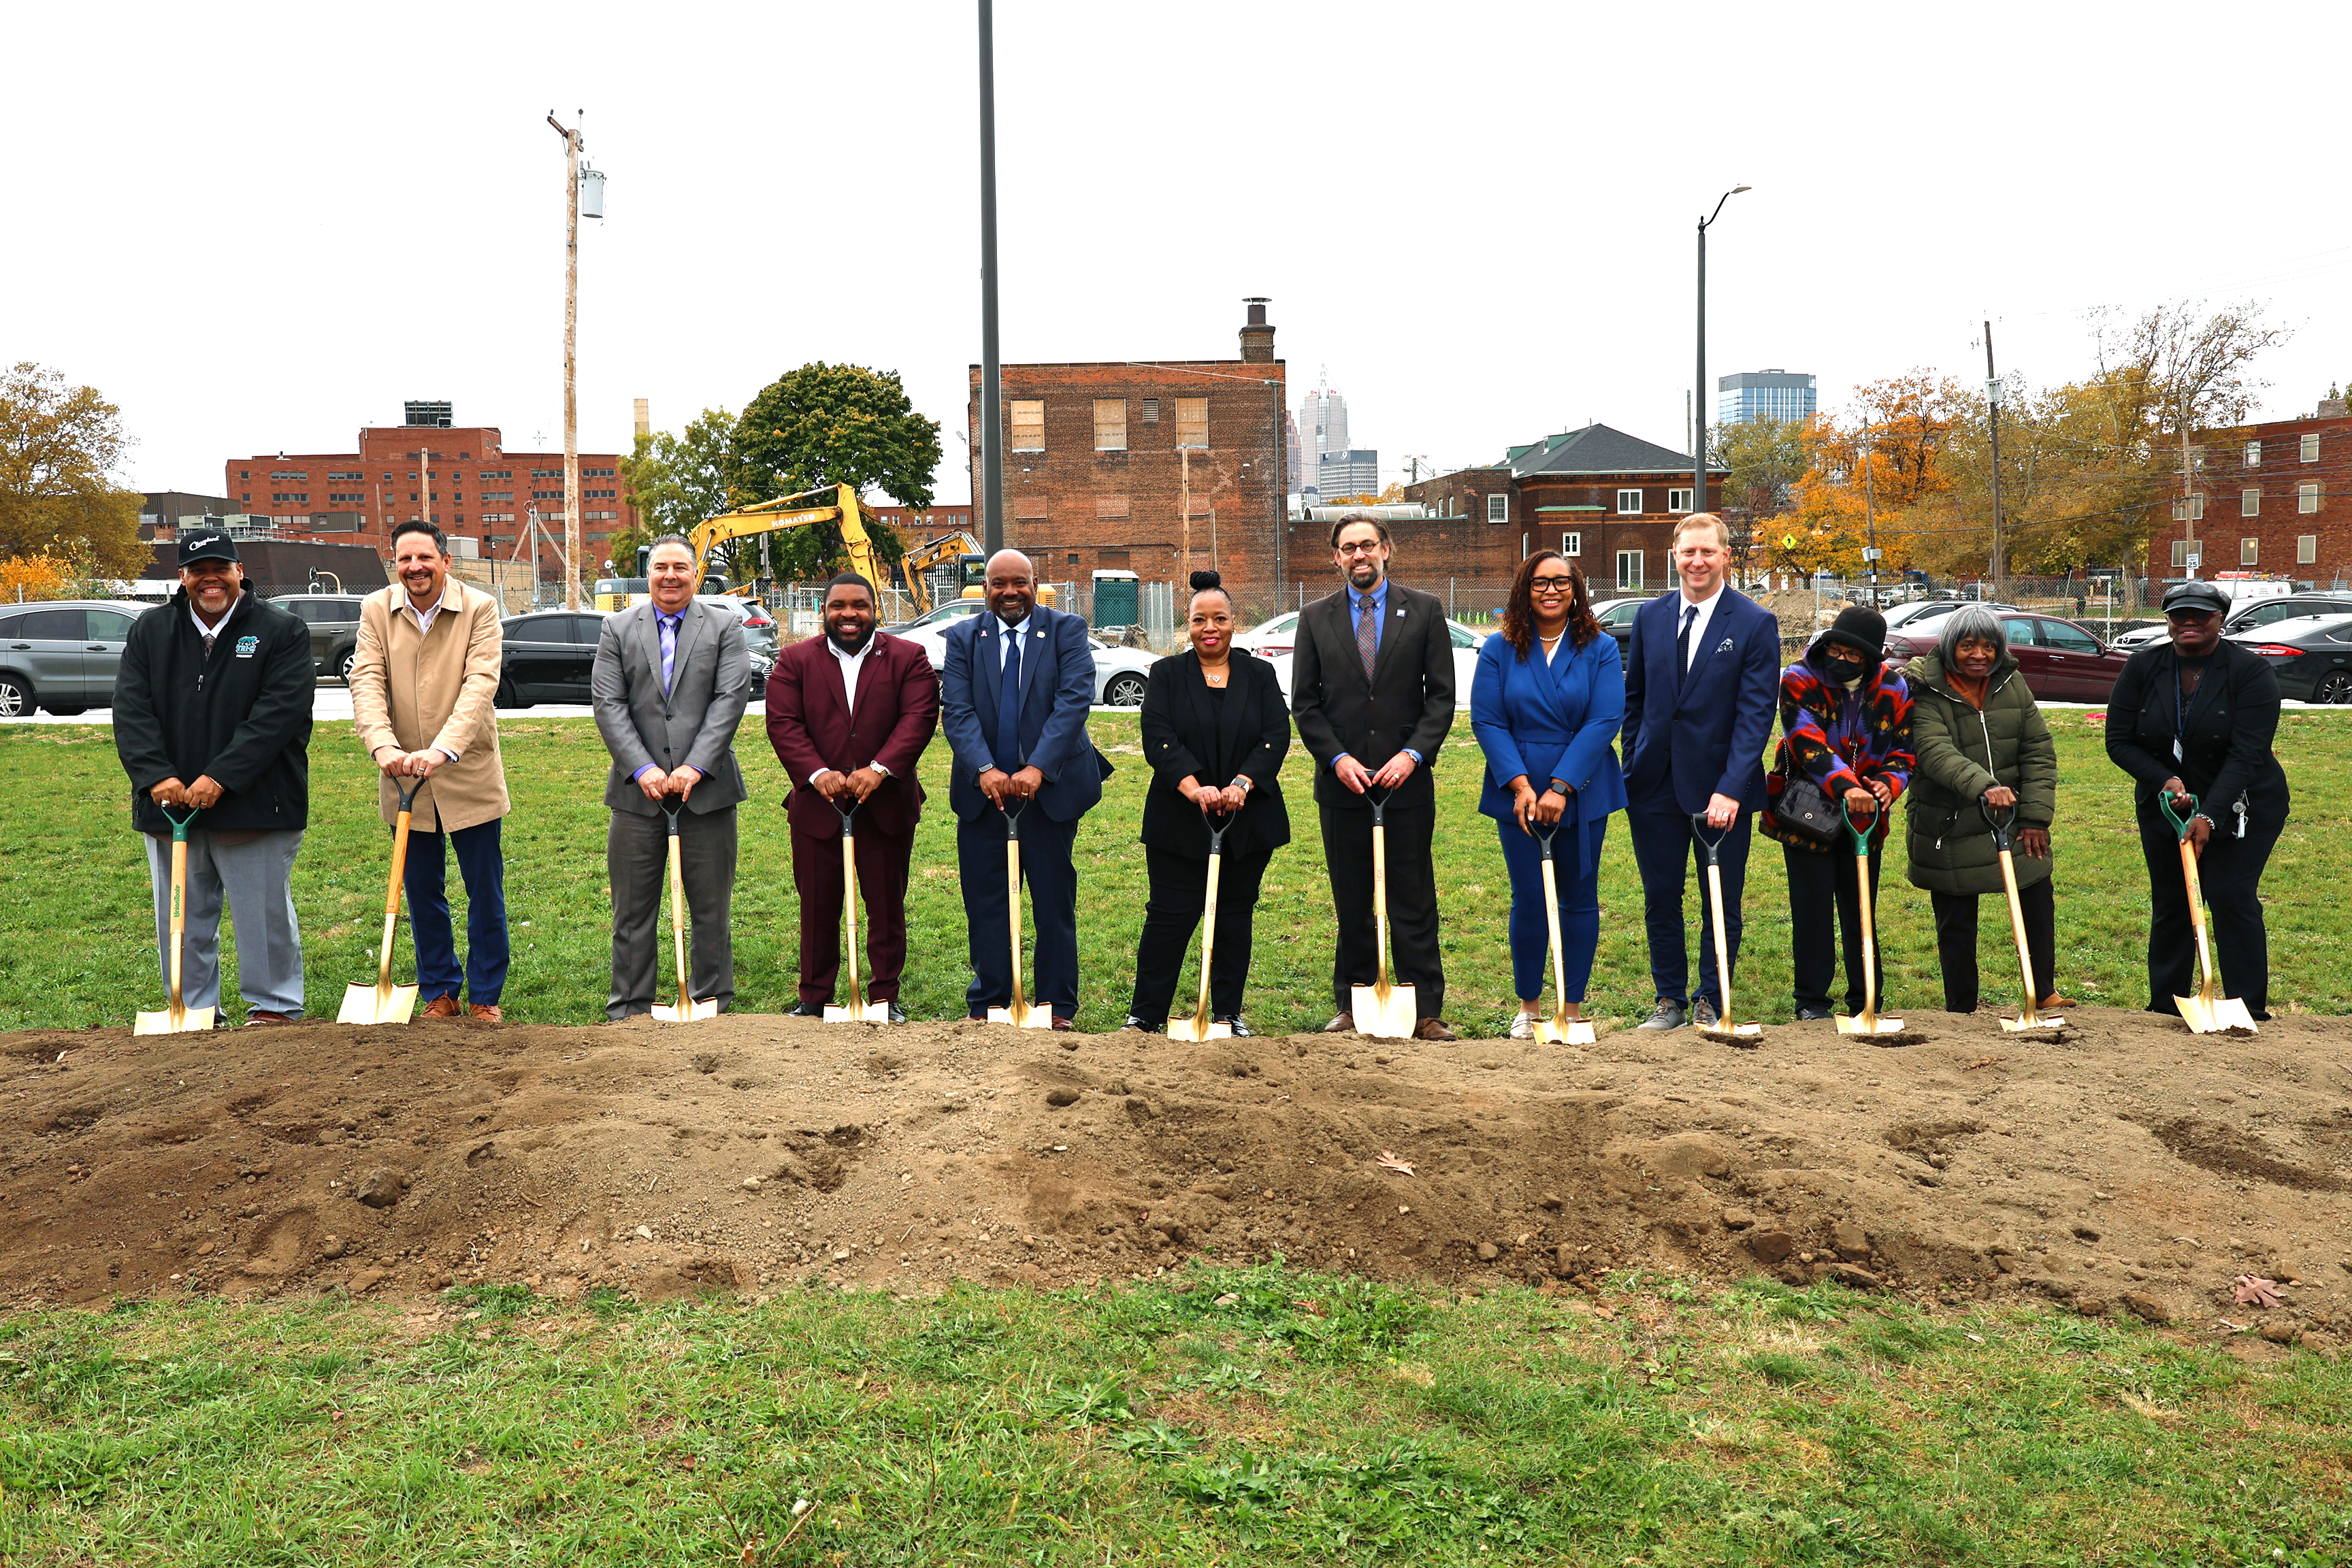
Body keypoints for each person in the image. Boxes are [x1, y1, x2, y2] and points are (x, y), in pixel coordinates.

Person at [111, 527, 314, 1024]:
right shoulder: (151, 631)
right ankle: (195, 1007)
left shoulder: (281, 630)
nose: (210, 580)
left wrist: (221, 776)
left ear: (239, 572)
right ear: (182, 577)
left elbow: (277, 716)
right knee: (181, 917)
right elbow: (131, 710)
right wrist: (156, 776)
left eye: (220, 569)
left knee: (262, 915)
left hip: (256, 803)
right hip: (171, 805)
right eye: (198, 571)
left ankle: (274, 1006)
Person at [1291, 512, 1458, 1039]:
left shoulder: (1426, 610)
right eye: (1348, 548)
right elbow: (1305, 703)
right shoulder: (1315, 618)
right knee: (1352, 899)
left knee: (1412, 896)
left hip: (1404, 783)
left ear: (1387, 550)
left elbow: (1442, 699)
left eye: (1367, 545)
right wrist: (1337, 759)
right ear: (1336, 557)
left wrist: (1411, 756)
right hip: (1343, 786)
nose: (1358, 555)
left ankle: (1425, 1008)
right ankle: (1352, 1002)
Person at [1618, 513, 1782, 1031]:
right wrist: (1632, 761)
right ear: (1674, 554)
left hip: (1720, 791)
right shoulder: (1651, 616)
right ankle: (1669, 999)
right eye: (1688, 552)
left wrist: (1732, 788)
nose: (1697, 561)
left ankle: (1713, 997)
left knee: (1720, 899)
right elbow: (1636, 698)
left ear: (1726, 555)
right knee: (1660, 896)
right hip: (1654, 786)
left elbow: (1756, 715)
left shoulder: (1755, 623)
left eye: (1708, 552)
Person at [2105, 579, 2289, 1021]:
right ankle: (2166, 1005)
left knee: (2230, 896)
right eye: (2178, 615)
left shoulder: (2250, 672)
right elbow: (2119, 741)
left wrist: (2210, 813)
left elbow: (2249, 753)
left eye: (2200, 615)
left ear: (2219, 620)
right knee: (2173, 901)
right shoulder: (2144, 668)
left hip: (2245, 805)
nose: (2189, 622)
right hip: (2166, 809)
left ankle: (2246, 1004)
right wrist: (2163, 778)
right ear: (2167, 621)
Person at [349, 521, 510, 1021]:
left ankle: (485, 996)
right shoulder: (376, 609)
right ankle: (440, 990)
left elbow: (479, 685)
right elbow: (367, 680)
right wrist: (382, 746)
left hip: (467, 769)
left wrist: (443, 750)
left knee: (484, 889)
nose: (414, 568)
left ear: (444, 560)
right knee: (421, 889)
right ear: (394, 565)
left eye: (424, 558)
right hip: (403, 775)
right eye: (404, 560)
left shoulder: (480, 609)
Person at [939, 549, 1107, 1029]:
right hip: (983, 796)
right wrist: (984, 769)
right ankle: (990, 999)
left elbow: (1073, 700)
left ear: (1035, 583)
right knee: (986, 899)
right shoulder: (964, 638)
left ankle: (1056, 1005)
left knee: (1053, 900)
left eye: (1020, 583)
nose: (1010, 592)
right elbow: (958, 709)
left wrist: (1038, 768)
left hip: (1048, 793)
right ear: (985, 588)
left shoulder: (1066, 631)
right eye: (999, 584)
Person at [766, 570, 941, 1022]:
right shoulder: (794, 660)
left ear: (874, 610)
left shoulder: (908, 657)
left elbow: (919, 717)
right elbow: (783, 723)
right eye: (838, 606)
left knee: (886, 906)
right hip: (818, 808)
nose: (849, 614)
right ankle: (815, 996)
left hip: (885, 806)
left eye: (859, 606)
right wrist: (815, 772)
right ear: (823, 611)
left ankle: (885, 996)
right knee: (818, 905)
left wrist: (881, 769)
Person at [589, 536, 751, 1020]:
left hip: (708, 793)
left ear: (696, 573)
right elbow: (609, 704)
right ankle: (631, 1009)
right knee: (633, 913)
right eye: (661, 567)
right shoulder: (617, 628)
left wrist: (693, 766)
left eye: (681, 567)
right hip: (637, 796)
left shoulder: (725, 626)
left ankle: (710, 1004)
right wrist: (643, 769)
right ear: (649, 573)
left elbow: (730, 700)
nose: (671, 577)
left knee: (710, 911)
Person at [1125, 570, 1292, 1035]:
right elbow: (1158, 738)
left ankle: (1227, 1013)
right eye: (1200, 620)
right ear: (1188, 623)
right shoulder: (1166, 675)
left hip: (1247, 820)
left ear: (1234, 622)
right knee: (1169, 916)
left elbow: (1275, 735)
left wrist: (1243, 783)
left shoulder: (1259, 674)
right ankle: (1147, 1015)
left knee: (1233, 917)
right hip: (1178, 820)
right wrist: (1194, 787)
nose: (1210, 628)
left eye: (1220, 618)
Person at [1470, 553, 1627, 1039]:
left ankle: (1572, 1006)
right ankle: (1530, 1007)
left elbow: (1605, 718)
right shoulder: (1500, 649)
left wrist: (1561, 786)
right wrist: (1520, 786)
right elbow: (1488, 719)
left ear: (1577, 588)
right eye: (1541, 582)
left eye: (1562, 581)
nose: (1552, 590)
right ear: (1525, 589)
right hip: (1516, 789)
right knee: (1530, 900)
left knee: (1580, 899)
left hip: (1582, 786)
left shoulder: (1599, 647)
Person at [1900, 606, 2065, 1015]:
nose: (1980, 655)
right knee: (1956, 920)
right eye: (1968, 645)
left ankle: (2042, 989)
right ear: (1949, 647)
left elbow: (2038, 751)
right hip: (1950, 821)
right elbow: (1933, 751)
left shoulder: (2012, 682)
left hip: (2013, 819)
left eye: (1989, 646)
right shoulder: (1924, 688)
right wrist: (1986, 786)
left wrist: (2035, 817)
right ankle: (1962, 1005)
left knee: (2037, 899)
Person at [1763, 606, 1913, 1020]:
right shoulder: (1798, 679)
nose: (1842, 660)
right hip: (1808, 811)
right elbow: (1806, 741)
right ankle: (1811, 1000)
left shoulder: (1895, 689)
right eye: (1837, 650)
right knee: (1811, 907)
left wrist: (1889, 782)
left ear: (1870, 658)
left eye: (1854, 655)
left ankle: (1866, 999)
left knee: (1860, 904)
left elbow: (1904, 749)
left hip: (1866, 817)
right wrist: (1847, 786)